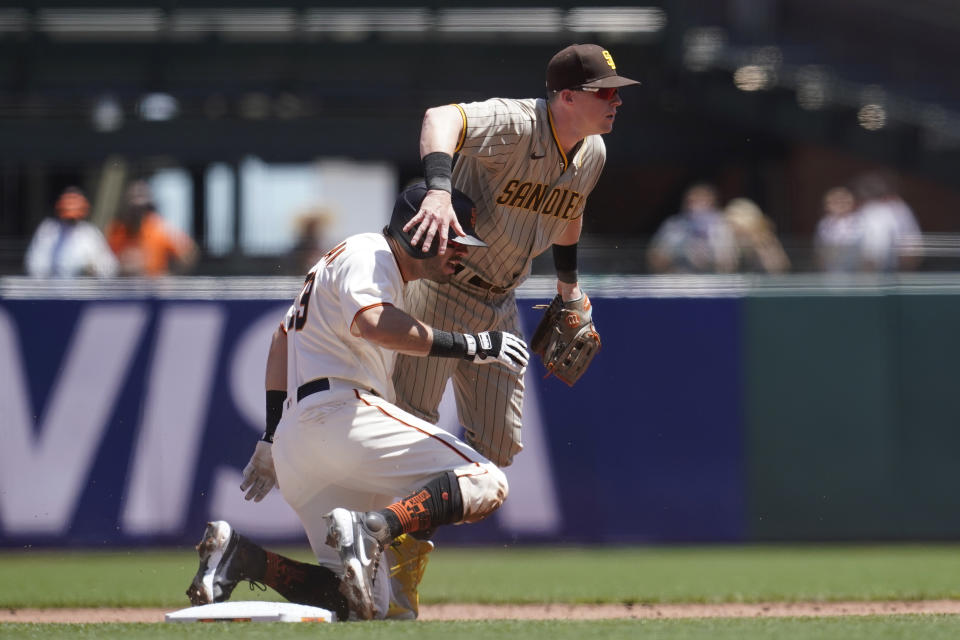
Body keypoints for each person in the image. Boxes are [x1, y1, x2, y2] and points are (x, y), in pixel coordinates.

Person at [185, 183, 527, 622]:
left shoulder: (357, 261)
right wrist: (473, 344)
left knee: (361, 605)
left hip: (300, 439)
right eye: (453, 239)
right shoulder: (372, 253)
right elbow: (374, 323)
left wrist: (271, 437)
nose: (462, 252)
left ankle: (245, 560)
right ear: (416, 230)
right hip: (345, 415)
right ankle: (374, 528)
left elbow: (280, 340)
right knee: (485, 480)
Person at [393, 43, 640, 469]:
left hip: (501, 301)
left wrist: (569, 288)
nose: (616, 100)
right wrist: (438, 189)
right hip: (443, 287)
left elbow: (569, 213)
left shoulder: (593, 152)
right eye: (604, 92)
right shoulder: (519, 123)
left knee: (499, 449)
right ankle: (381, 531)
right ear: (567, 96)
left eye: (616, 92)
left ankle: (406, 523)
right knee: (410, 426)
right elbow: (440, 117)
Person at [106, 181, 198, 276]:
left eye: (141, 207)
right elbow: (106, 261)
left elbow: (189, 252)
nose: (137, 210)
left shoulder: (161, 227)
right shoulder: (116, 230)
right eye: (133, 206)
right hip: (124, 286)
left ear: (148, 205)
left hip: (154, 287)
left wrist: (170, 275)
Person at [23, 186, 118, 277]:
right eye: (68, 215)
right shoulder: (48, 230)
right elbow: (34, 265)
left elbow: (110, 266)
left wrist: (94, 268)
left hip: (84, 289)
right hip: (53, 288)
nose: (71, 220)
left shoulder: (90, 232)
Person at [647, 183, 738, 274]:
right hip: (680, 280)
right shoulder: (674, 225)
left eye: (702, 201)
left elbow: (730, 261)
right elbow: (656, 258)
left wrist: (709, 258)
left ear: (713, 203)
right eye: (692, 201)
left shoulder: (722, 225)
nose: (696, 206)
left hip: (713, 280)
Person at [852, 172, 922, 272]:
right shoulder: (866, 209)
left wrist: (909, 257)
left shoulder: (897, 208)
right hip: (865, 264)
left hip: (892, 264)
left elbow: (910, 236)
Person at [722, 197, 790, 273]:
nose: (730, 227)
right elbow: (726, 267)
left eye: (732, 223)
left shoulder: (763, 237)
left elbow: (778, 267)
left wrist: (760, 248)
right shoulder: (732, 240)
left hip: (764, 280)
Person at [814, 185, 865, 273]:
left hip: (857, 271)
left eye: (844, 201)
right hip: (831, 271)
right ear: (827, 205)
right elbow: (819, 249)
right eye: (835, 202)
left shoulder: (862, 221)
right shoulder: (824, 224)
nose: (840, 205)